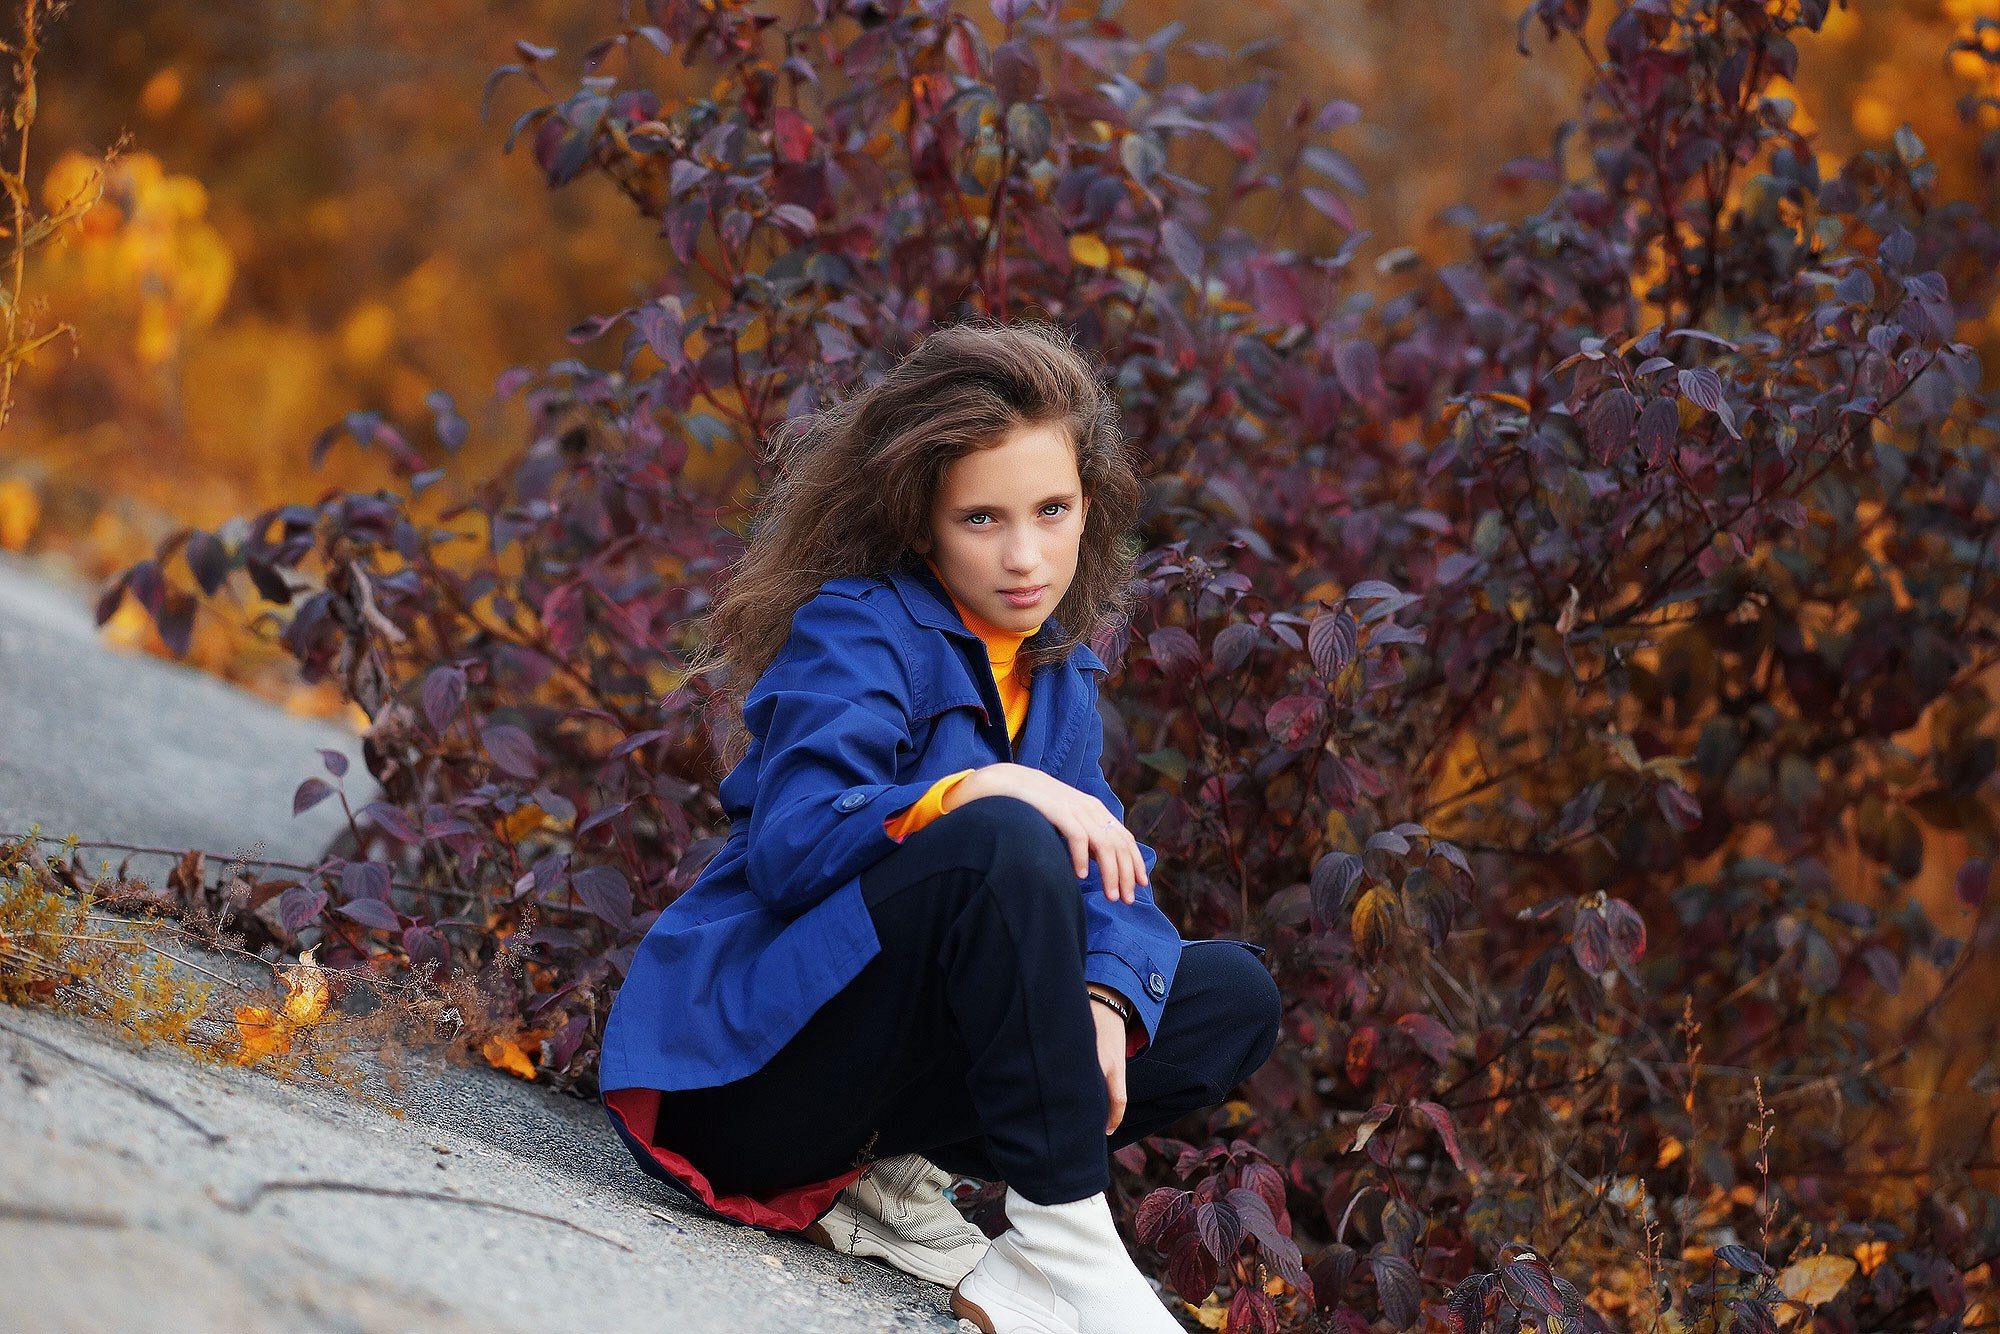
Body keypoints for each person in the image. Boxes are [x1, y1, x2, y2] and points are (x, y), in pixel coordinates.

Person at [599, 319, 1281, 1334]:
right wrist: (976, 791)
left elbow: (1113, 874)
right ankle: (1062, 1250)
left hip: (876, 1090)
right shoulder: (858, 626)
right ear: (922, 524)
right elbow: (793, 847)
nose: (1023, 555)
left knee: (1226, 993)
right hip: (757, 1085)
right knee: (998, 841)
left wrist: (1100, 991)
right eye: (981, 518)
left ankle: (904, 1185)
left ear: (1088, 507)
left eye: (1051, 509)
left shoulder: (1052, 671)